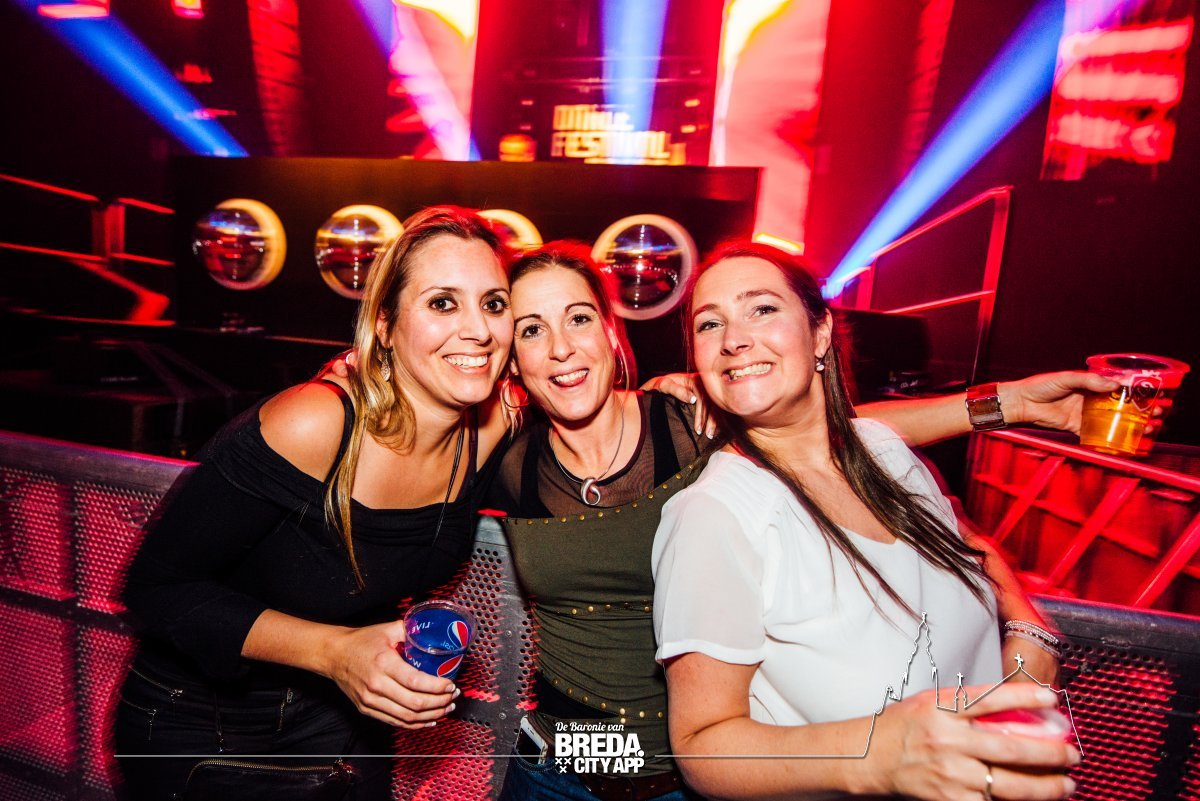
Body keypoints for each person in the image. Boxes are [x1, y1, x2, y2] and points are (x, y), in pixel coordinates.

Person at [490, 242, 1098, 801]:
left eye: (578, 318)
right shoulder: (507, 455)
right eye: (530, 330)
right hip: (558, 764)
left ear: (611, 330)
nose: (560, 347)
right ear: (511, 356)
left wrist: (1008, 404)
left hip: (680, 781)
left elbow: (845, 436)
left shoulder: (688, 418)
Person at [114, 206, 514, 800]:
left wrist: (661, 394)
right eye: (442, 303)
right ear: (384, 325)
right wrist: (335, 652)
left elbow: (576, 387)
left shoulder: (493, 422)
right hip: (208, 726)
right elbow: (156, 589)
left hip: (346, 717)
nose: (479, 330)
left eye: (494, 304)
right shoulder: (315, 423)